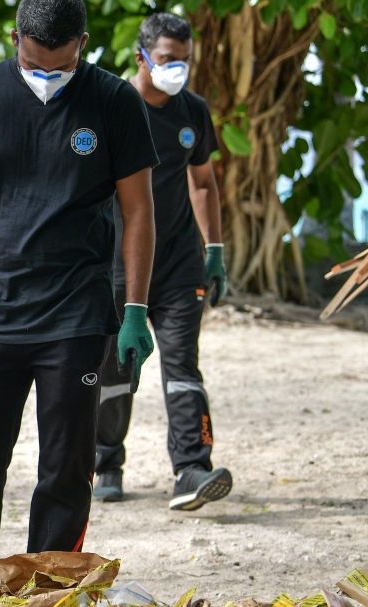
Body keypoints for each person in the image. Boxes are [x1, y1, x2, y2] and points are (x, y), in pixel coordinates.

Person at [0, 0, 159, 607]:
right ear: (16, 39)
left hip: (75, 317)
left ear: (82, 45)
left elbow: (138, 209)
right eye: (35, 63)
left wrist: (135, 309)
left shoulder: (113, 100)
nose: (47, 75)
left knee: (66, 469)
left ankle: (45, 600)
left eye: (62, 65)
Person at [92, 12, 233, 511]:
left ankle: (192, 468)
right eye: (169, 60)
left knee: (183, 366)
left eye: (185, 61)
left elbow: (202, 183)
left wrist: (213, 248)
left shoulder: (192, 111)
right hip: (117, 266)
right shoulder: (110, 105)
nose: (179, 70)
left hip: (178, 264)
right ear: (142, 57)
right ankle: (106, 462)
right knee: (113, 367)